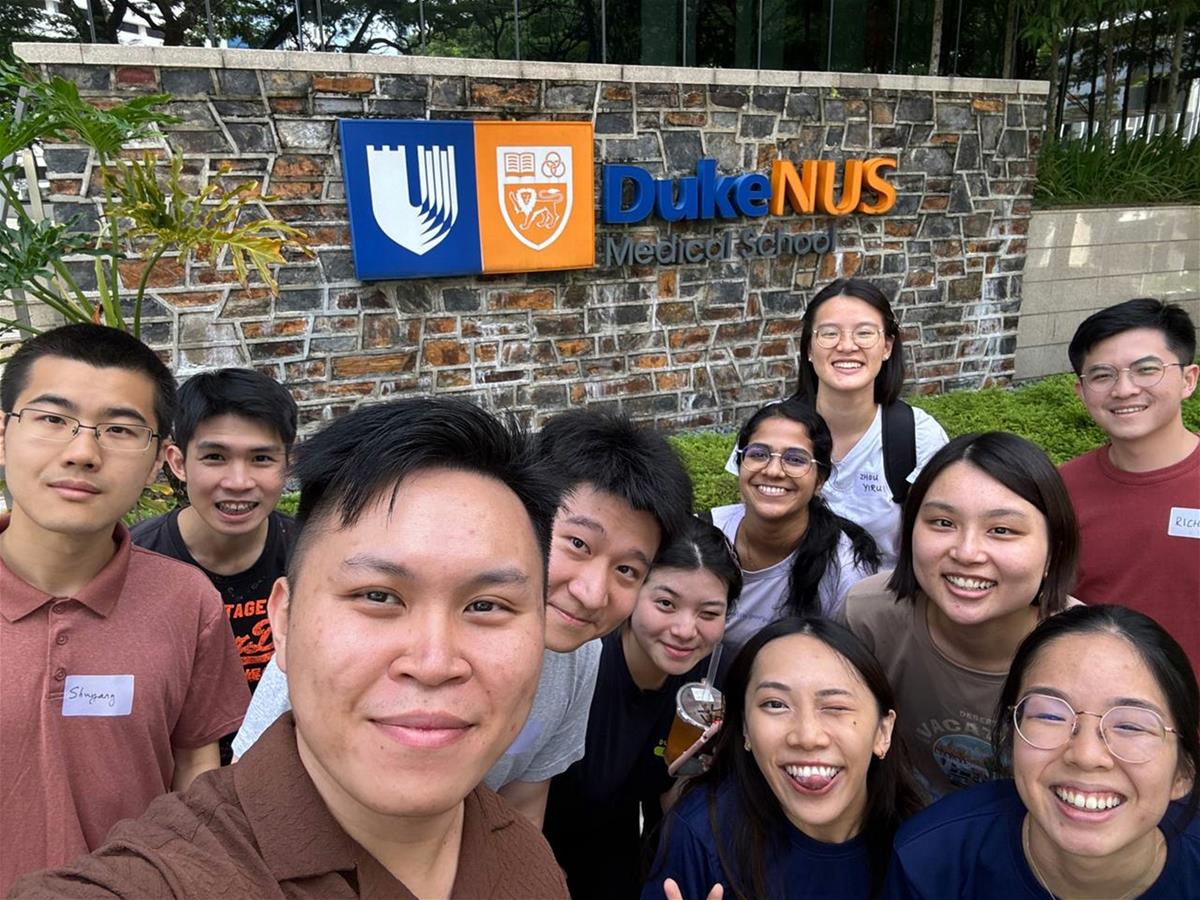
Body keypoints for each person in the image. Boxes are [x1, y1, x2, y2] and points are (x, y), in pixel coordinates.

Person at [10, 397, 571, 898]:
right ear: (284, 621)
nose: (433, 662)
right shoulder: (173, 877)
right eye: (377, 595)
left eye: (487, 606)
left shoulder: (521, 853)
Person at [229, 407, 694, 827]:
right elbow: (249, 802)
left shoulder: (582, 659)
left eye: (628, 570)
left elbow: (522, 805)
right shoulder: (330, 642)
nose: (593, 592)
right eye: (577, 544)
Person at [0, 324, 248, 895]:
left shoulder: (187, 602)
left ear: (159, 460)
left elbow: (196, 769)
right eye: (51, 419)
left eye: (119, 429)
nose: (83, 452)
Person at [886, 604, 1200, 899]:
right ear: (1013, 739)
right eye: (1050, 715)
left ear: (1183, 773)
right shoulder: (931, 860)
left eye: (1130, 726)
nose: (1086, 755)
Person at [841, 431, 1080, 804]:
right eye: (942, 523)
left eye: (1002, 530)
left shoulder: (1089, 656)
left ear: (1055, 550)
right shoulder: (869, 617)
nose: (967, 552)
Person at [642, 617, 922, 900]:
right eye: (775, 704)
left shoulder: (930, 848)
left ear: (882, 731)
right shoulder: (701, 834)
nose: (807, 736)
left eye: (836, 706)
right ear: (744, 729)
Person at [545, 516, 742, 900]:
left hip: (622, 846)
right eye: (666, 603)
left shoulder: (712, 677)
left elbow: (676, 797)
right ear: (633, 595)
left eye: (709, 613)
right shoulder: (580, 667)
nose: (686, 630)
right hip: (544, 840)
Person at [130, 368, 297, 763]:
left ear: (287, 465)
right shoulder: (134, 562)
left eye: (261, 458)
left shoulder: (311, 554)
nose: (238, 481)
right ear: (178, 461)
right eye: (215, 457)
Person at [728, 279, 948, 567]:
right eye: (829, 333)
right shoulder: (773, 426)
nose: (846, 346)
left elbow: (940, 538)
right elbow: (751, 522)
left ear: (887, 347)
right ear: (808, 348)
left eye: (865, 333)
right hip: (788, 602)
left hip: (878, 605)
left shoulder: (918, 436)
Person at [1060, 298, 1199, 672]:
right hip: (1093, 713)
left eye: (1146, 370)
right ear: (1081, 391)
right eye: (1103, 375)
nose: (1124, 389)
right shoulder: (1058, 489)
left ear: (1189, 379)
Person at [714, 398, 880, 651]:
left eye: (795, 459)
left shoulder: (844, 573)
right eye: (758, 454)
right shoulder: (704, 534)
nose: (773, 471)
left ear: (820, 480)